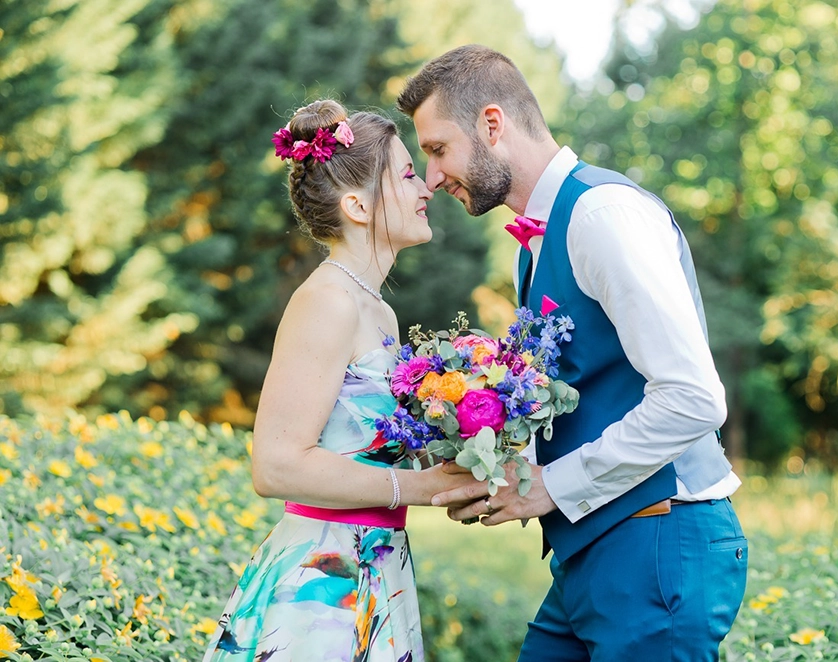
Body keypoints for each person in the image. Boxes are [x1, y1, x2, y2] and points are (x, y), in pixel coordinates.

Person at [397, 45, 748, 661]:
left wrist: (548, 487)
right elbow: (581, 391)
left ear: (492, 123)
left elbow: (694, 400)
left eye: (436, 149)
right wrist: (501, 465)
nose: (431, 178)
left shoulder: (603, 216)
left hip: (658, 544)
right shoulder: (530, 246)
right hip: (596, 550)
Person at [202, 99, 478, 662]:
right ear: (357, 204)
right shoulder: (326, 303)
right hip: (321, 583)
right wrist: (413, 489)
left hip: (378, 563)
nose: (426, 188)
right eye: (406, 174)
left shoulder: (376, 311)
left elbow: (363, 451)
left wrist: (475, 446)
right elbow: (276, 464)